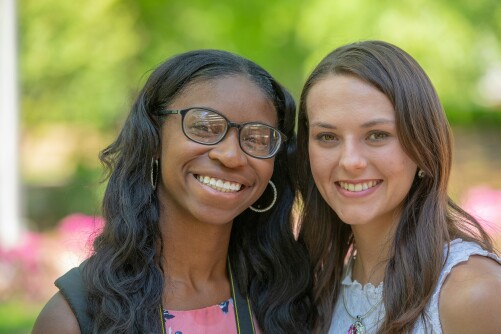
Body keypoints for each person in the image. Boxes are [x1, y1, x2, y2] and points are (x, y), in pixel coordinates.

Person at [33, 49, 311, 333]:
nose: (232, 155)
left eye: (256, 138)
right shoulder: (77, 317)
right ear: (153, 137)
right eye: (204, 126)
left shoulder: (289, 300)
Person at [296, 40, 501, 333]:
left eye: (377, 135)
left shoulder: (474, 293)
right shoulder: (320, 289)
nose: (350, 161)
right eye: (327, 137)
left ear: (422, 144)